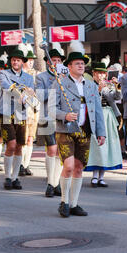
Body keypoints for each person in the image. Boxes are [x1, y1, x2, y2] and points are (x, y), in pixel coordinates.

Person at [53, 40, 106, 218]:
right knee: (68, 166)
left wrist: (101, 132)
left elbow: (97, 110)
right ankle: (63, 201)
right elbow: (51, 109)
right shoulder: (59, 84)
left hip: (85, 130)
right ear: (69, 66)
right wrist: (64, 115)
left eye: (83, 63)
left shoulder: (91, 85)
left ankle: (74, 203)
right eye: (78, 63)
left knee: (78, 167)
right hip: (66, 130)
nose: (81, 66)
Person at [0, 44, 35, 191]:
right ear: (10, 61)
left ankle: (15, 177)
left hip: (22, 113)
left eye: (18, 60)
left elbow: (32, 94)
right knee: (11, 144)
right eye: (13, 60)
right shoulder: (3, 73)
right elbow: (7, 87)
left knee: (20, 145)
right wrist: (23, 92)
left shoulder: (28, 77)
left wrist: (30, 94)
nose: (15, 62)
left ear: (22, 62)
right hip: (6, 113)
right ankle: (7, 176)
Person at [84, 57, 123, 188]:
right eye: (98, 73)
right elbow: (89, 99)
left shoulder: (109, 85)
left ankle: (101, 177)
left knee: (108, 146)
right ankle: (94, 176)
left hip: (108, 116)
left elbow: (117, 98)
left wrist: (117, 87)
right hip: (95, 116)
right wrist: (99, 90)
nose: (101, 75)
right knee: (97, 146)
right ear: (94, 74)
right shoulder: (88, 84)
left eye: (103, 73)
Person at [35, 42, 65, 197]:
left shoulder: (67, 76)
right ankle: (50, 183)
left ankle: (56, 182)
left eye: (59, 61)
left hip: (62, 117)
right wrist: (56, 83)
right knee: (52, 149)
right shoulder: (41, 77)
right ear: (48, 62)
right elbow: (41, 96)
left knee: (60, 151)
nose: (56, 63)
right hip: (47, 116)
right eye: (53, 60)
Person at [19, 43, 39, 177]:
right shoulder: (20, 74)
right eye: (28, 61)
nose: (31, 63)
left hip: (34, 109)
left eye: (32, 61)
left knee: (31, 138)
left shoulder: (37, 74)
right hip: (23, 109)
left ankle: (27, 164)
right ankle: (20, 163)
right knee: (23, 137)